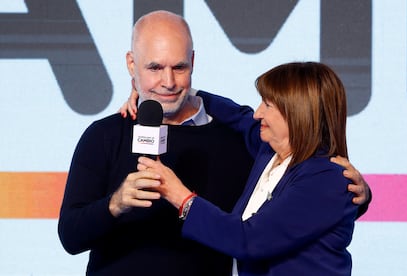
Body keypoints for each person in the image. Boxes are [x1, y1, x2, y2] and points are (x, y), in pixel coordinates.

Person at [58, 10, 370, 276]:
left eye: (179, 68)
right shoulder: (105, 134)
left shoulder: (246, 142)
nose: (168, 81)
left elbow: (276, 224)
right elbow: (71, 236)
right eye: (154, 68)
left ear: (192, 63)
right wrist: (115, 203)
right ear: (131, 65)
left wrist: (357, 194)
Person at [136, 62, 363, 275]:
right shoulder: (269, 149)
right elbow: (238, 116)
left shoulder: (324, 179)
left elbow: (249, 240)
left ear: (297, 113)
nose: (258, 113)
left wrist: (180, 196)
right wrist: (176, 96)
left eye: (267, 104)